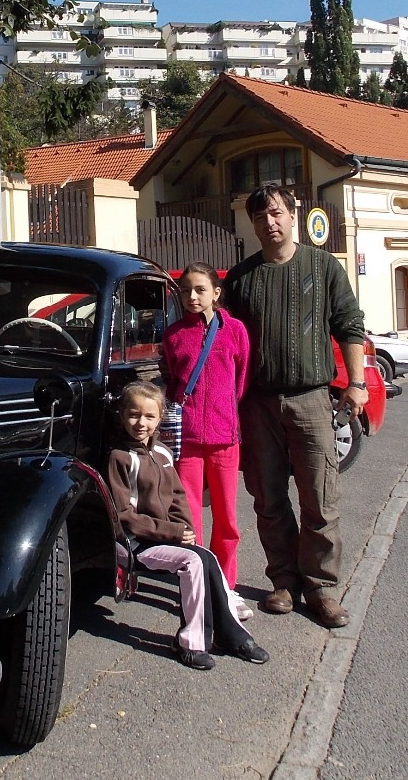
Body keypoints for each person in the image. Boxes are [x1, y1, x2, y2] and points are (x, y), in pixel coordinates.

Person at [223, 184, 367, 629]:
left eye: (276, 213)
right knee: (268, 498)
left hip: (310, 400)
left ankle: (322, 589)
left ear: (292, 214)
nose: (269, 222)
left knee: (320, 499)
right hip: (258, 403)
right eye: (260, 217)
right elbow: (225, 342)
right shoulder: (241, 278)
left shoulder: (323, 267)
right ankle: (284, 582)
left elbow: (350, 324)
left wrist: (357, 383)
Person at [104, 381, 270, 670]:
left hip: (162, 538)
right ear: (122, 415)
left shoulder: (163, 453)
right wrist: (173, 532)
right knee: (192, 563)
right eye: (133, 415)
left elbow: (178, 497)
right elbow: (123, 516)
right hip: (134, 543)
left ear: (160, 418)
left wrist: (185, 530)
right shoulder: (119, 458)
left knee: (207, 557)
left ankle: (231, 634)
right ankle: (189, 643)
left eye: (149, 416)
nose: (141, 423)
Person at [162, 262, 253, 621]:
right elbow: (173, 380)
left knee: (227, 519)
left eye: (200, 289)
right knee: (189, 522)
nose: (192, 296)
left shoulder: (235, 331)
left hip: (225, 439)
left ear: (216, 292)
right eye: (185, 290)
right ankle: (196, 588)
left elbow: (241, 380)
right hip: (186, 441)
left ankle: (227, 587)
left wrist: (224, 413)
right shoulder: (173, 335)